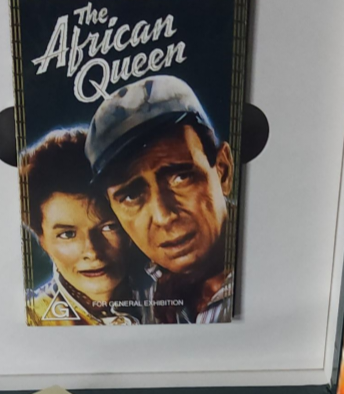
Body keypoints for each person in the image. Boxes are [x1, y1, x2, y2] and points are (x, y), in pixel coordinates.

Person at [86, 76, 235, 324]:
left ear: (223, 171)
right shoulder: (125, 283)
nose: (164, 216)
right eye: (131, 196)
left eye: (181, 177)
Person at [21, 128, 146, 325]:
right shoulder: (32, 319)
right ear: (42, 240)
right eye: (68, 234)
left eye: (109, 227)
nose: (92, 251)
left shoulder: (174, 296)